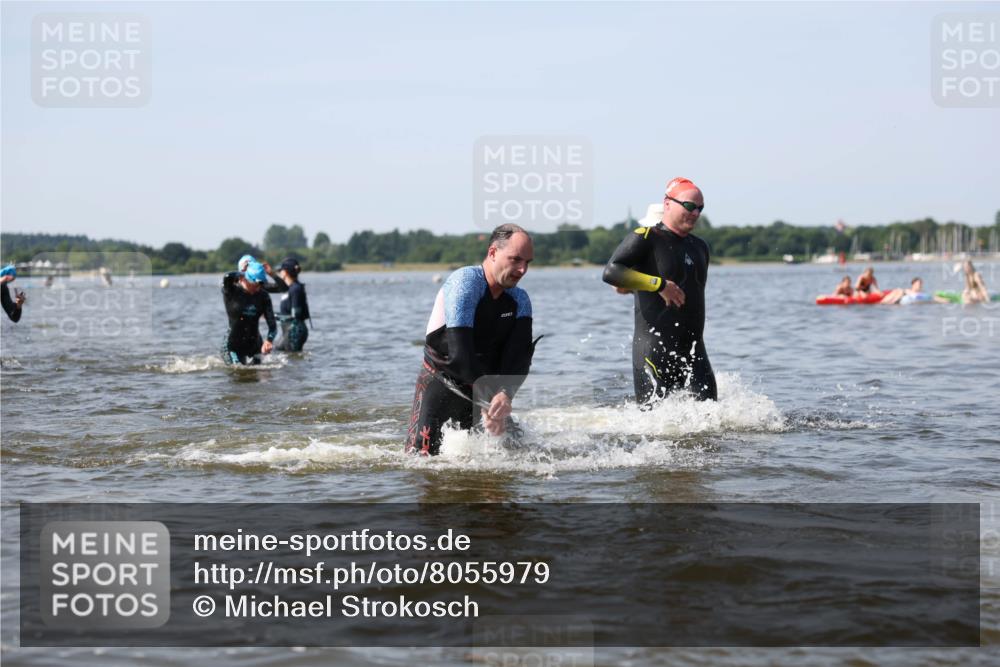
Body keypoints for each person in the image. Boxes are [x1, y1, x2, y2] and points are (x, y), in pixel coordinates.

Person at [405, 224, 536, 455]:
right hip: (442, 383)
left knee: (522, 456)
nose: (522, 269)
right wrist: (489, 400)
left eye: (527, 262)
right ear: (493, 253)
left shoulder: (520, 300)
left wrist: (505, 395)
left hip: (484, 393)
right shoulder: (465, 283)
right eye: (515, 259)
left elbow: (519, 359)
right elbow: (460, 356)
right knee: (420, 463)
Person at [603, 177, 717, 403]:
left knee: (713, 423)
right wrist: (659, 284)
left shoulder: (700, 247)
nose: (695, 213)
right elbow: (611, 272)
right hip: (653, 353)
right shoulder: (646, 237)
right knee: (655, 429)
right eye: (689, 206)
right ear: (667, 204)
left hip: (694, 352)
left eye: (700, 208)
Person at [220, 260, 277, 365]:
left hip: (254, 345)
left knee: (256, 377)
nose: (258, 288)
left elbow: (272, 325)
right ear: (244, 279)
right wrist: (242, 272)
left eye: (260, 285)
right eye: (255, 284)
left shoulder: (263, 296)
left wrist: (269, 340)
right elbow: (227, 276)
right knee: (238, 373)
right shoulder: (231, 292)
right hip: (233, 346)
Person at [274, 257, 310, 352]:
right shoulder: (288, 288)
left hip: (295, 330)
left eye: (280, 270)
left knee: (293, 360)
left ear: (285, 272)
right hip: (287, 329)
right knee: (277, 350)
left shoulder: (295, 289)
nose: (279, 273)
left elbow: (296, 314)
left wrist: (272, 315)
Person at [881, 277, 948, 305]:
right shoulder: (906, 291)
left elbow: (932, 298)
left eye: (921, 284)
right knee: (899, 291)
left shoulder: (923, 294)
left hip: (913, 302)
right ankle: (882, 303)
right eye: (919, 283)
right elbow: (899, 293)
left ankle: (949, 300)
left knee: (934, 297)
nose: (920, 285)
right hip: (898, 301)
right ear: (913, 284)